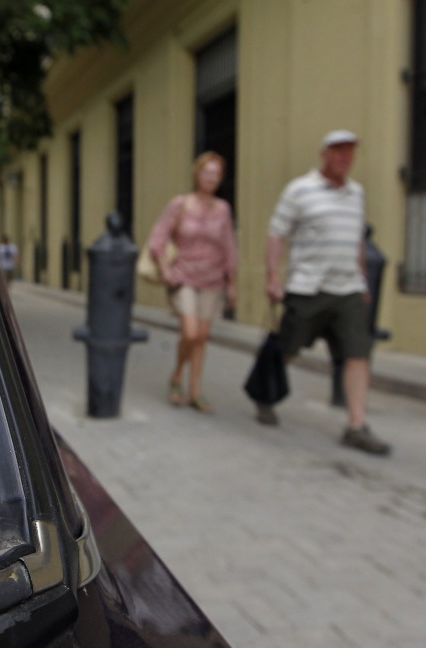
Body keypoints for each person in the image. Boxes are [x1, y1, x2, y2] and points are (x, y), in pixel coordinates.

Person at [263, 130, 390, 455]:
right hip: (308, 286)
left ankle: (356, 425)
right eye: (338, 151)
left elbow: (356, 239)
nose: (344, 157)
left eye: (349, 152)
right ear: (324, 154)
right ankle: (265, 395)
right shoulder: (299, 190)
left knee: (358, 354)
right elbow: (276, 234)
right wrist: (273, 276)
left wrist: (362, 280)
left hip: (347, 288)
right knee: (288, 348)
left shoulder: (356, 193)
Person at [147, 151, 238, 413]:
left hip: (213, 279)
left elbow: (229, 246)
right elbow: (158, 237)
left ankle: (195, 392)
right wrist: (164, 268)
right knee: (190, 332)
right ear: (197, 174)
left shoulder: (223, 209)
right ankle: (176, 375)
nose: (211, 178)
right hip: (183, 276)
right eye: (207, 172)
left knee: (202, 336)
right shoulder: (180, 204)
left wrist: (232, 282)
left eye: (216, 174)